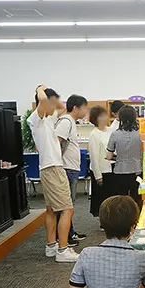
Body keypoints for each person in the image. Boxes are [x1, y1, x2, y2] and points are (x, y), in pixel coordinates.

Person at [28, 85, 79, 263]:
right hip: (52, 168)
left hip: (51, 167)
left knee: (51, 210)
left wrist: (55, 99)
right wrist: (40, 88)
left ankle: (51, 246)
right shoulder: (36, 119)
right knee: (67, 209)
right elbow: (42, 100)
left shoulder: (50, 119)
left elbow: (61, 107)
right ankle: (63, 250)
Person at [55, 94, 88, 245]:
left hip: (71, 168)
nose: (86, 111)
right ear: (75, 108)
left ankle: (70, 232)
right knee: (65, 206)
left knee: (69, 205)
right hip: (66, 168)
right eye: (84, 108)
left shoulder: (70, 122)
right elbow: (57, 142)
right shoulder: (66, 121)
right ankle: (64, 237)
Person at [106, 105, 143, 211]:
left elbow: (109, 156)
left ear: (120, 118)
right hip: (137, 170)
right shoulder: (141, 134)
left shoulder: (115, 134)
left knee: (121, 200)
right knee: (137, 198)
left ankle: (122, 218)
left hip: (120, 171)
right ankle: (137, 217)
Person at [87, 106, 114, 218]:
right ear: (95, 118)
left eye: (105, 115)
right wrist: (98, 176)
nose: (105, 118)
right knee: (102, 198)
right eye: (101, 116)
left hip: (113, 167)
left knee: (112, 197)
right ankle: (104, 219)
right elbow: (94, 157)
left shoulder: (111, 130)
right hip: (101, 170)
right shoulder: (94, 134)